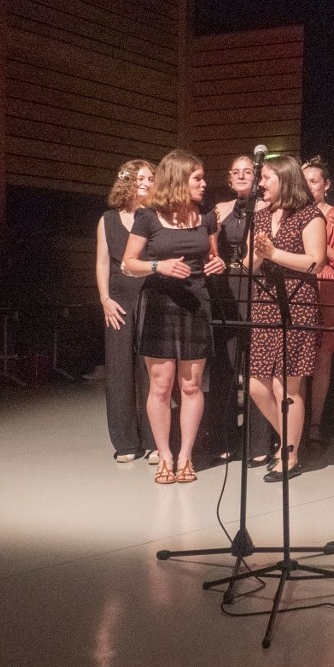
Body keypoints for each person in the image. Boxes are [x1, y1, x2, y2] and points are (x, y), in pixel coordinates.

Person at [122, 150, 225, 484]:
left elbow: (212, 256)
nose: (204, 184)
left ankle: (185, 456)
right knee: (162, 385)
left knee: (191, 385)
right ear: (179, 179)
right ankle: (165, 455)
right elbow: (128, 263)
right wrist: (159, 265)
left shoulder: (206, 216)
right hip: (160, 303)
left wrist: (217, 263)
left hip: (196, 303)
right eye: (198, 178)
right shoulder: (148, 216)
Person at [247, 155, 327, 481]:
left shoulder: (310, 214)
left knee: (286, 385)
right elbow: (248, 265)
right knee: (256, 385)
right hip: (264, 303)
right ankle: (289, 440)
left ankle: (289, 455)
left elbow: (316, 262)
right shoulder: (261, 215)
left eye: (267, 177)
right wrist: (257, 255)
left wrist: (274, 253)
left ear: (285, 179)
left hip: (296, 303)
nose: (261, 183)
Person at [208, 155, 273, 465]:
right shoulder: (219, 209)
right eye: (236, 172)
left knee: (256, 368)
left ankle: (259, 443)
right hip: (225, 287)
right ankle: (223, 439)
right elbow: (209, 247)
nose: (242, 176)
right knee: (226, 366)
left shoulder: (268, 208)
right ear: (229, 178)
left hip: (256, 285)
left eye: (248, 171)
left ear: (257, 176)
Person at [95, 158, 157, 463]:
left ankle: (155, 441)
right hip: (119, 299)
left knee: (151, 369)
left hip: (152, 295)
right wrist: (105, 299)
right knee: (119, 369)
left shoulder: (157, 217)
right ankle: (126, 443)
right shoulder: (108, 220)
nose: (146, 183)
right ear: (126, 181)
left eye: (150, 178)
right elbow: (102, 262)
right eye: (140, 178)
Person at [302, 156, 334, 444]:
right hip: (298, 283)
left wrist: (319, 247)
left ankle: (315, 424)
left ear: (327, 185)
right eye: (304, 181)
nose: (309, 186)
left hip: (326, 284)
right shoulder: (292, 212)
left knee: (322, 357)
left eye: (314, 181)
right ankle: (295, 423)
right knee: (297, 356)